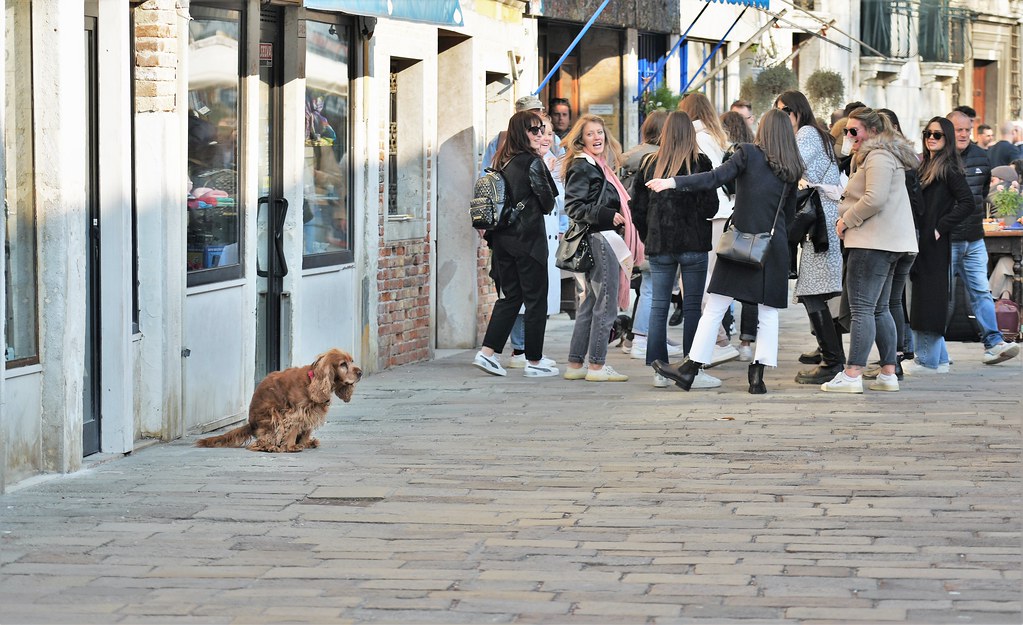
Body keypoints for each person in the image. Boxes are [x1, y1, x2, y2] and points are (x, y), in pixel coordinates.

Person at [646, 109, 802, 394]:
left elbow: (714, 178)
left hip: (742, 242)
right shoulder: (793, 166)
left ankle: (690, 367)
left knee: (716, 305)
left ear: (763, 129)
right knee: (768, 313)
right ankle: (757, 377)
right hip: (774, 246)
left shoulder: (748, 154)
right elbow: (789, 215)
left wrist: (673, 182)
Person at [820, 107, 919, 393]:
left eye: (854, 131)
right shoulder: (884, 155)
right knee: (879, 308)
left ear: (873, 131)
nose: (849, 136)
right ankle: (888, 371)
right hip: (887, 242)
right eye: (847, 131)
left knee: (863, 308)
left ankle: (852, 374)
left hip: (872, 241)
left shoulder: (878, 156)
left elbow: (874, 199)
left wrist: (845, 221)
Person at [630, 111, 720, 389]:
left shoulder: (649, 164)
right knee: (692, 305)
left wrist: (649, 235)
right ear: (690, 135)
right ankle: (692, 367)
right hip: (693, 242)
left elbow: (638, 208)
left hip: (660, 244)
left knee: (659, 304)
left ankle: (659, 369)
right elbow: (711, 207)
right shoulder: (700, 162)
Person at [472, 110, 559, 378]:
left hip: (503, 241)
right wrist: (547, 167)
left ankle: (487, 353)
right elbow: (548, 203)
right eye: (534, 130)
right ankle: (534, 361)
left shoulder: (502, 160)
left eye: (542, 130)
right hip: (528, 241)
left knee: (511, 297)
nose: (540, 135)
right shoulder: (533, 162)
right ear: (522, 133)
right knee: (536, 300)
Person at [774, 91, 846, 386]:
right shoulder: (814, 133)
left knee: (812, 292)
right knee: (814, 291)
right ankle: (832, 357)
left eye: (782, 111)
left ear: (796, 111)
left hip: (822, 223)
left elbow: (789, 165)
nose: (779, 116)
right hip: (822, 220)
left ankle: (832, 361)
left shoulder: (805, 133)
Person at [561, 114, 635, 382]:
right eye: (590, 134)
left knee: (591, 302)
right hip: (600, 238)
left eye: (600, 132)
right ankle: (597, 365)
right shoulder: (584, 167)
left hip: (600, 238)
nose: (597, 137)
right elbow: (573, 206)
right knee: (606, 304)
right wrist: (607, 215)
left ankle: (575, 364)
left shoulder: (597, 165)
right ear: (580, 139)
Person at [946, 110, 1020, 364]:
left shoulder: (981, 156)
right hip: (946, 238)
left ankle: (994, 342)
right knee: (943, 294)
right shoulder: (938, 156)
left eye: (968, 129)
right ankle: (936, 349)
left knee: (980, 291)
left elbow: (982, 192)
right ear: (948, 130)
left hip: (974, 237)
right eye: (959, 130)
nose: (964, 134)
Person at [905, 116, 977, 375]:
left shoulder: (948, 167)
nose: (931, 138)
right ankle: (940, 358)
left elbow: (967, 202)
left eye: (937, 135)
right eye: (928, 134)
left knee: (929, 297)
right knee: (923, 295)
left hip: (934, 242)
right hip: (921, 240)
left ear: (946, 139)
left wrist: (940, 227)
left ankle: (927, 360)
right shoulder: (926, 165)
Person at [678, 92, 740, 365]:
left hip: (712, 214)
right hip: (725, 212)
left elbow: (706, 179)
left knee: (701, 281)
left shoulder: (697, 139)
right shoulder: (716, 138)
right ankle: (719, 339)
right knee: (711, 279)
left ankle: (719, 340)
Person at [616, 110, 681, 361]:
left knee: (651, 285)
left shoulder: (632, 156)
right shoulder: (655, 159)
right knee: (653, 285)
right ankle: (642, 338)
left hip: (636, 229)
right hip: (651, 230)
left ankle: (652, 336)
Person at [719, 110, 758, 361]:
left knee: (723, 283)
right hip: (755, 224)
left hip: (733, 220)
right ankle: (747, 342)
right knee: (752, 288)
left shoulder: (731, 154)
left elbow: (724, 182)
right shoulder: (756, 151)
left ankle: (723, 338)